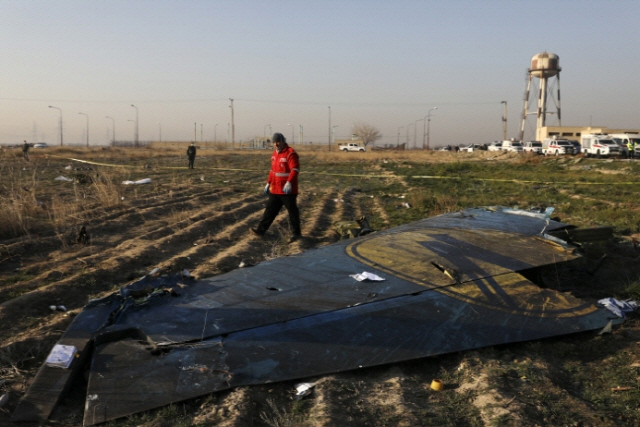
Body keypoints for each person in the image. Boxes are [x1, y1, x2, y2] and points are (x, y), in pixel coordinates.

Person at [251, 132, 301, 242]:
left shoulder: (290, 153)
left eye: (278, 141)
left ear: (283, 141)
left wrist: (289, 182)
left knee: (292, 212)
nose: (276, 144)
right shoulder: (274, 154)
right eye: (274, 142)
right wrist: (268, 183)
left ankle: (297, 234)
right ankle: (260, 231)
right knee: (270, 211)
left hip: (288, 191)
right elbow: (273, 171)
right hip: (276, 189)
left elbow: (295, 170)